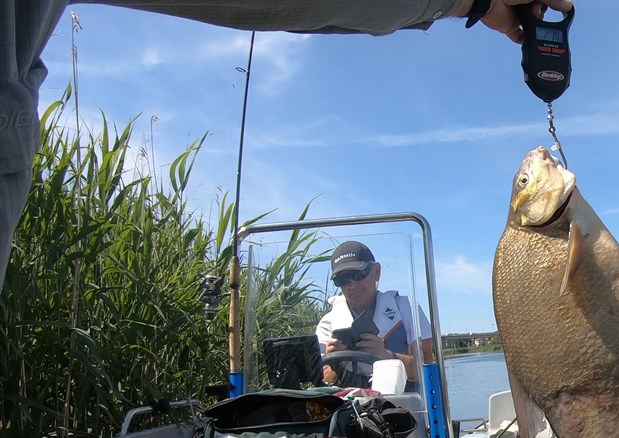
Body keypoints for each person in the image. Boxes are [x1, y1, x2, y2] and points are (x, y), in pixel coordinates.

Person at [0, 0, 574, 291]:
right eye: (342, 279)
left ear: (377, 274)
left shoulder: (401, 312)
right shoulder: (329, 322)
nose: (349, 286)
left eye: (354, 276)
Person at [315, 240, 434, 389]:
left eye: (359, 274)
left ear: (376, 272)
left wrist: (386, 356)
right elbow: (324, 380)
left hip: (402, 400)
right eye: (342, 279)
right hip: (350, 401)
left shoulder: (407, 310)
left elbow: (429, 370)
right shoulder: (327, 325)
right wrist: (337, 362)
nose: (352, 285)